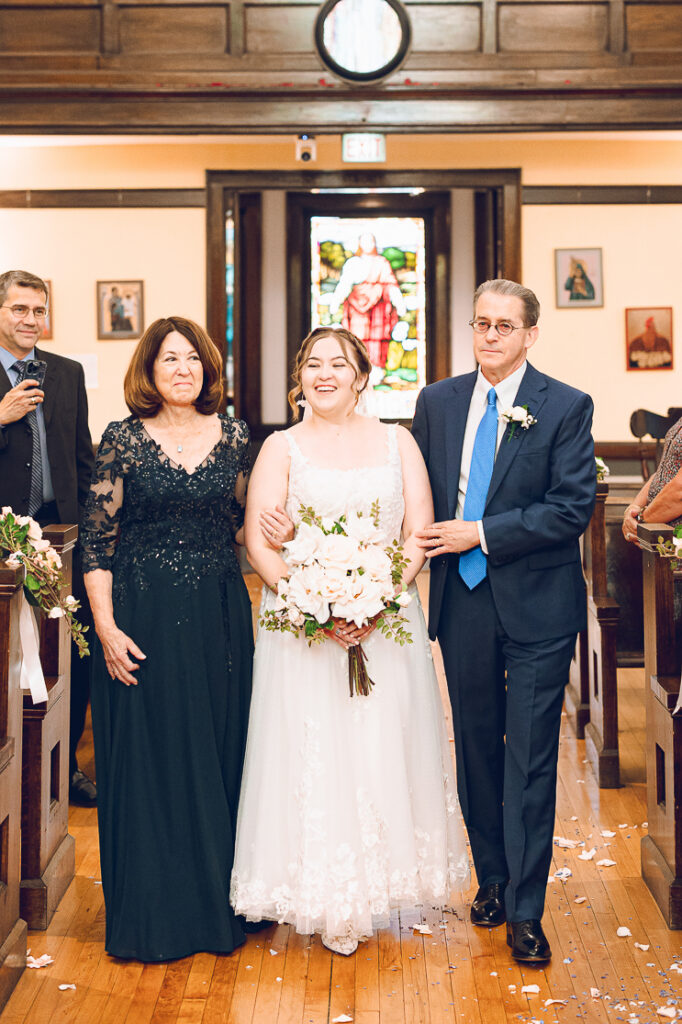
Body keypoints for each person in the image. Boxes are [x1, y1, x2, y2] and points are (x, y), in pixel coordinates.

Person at [231, 326, 470, 957]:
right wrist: (312, 604)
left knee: (377, 747)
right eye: (313, 363)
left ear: (362, 376)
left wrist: (375, 600)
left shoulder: (400, 442)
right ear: (300, 377)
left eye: (339, 363)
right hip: (302, 629)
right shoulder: (280, 447)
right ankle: (324, 895)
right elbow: (259, 540)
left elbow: (419, 532)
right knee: (311, 751)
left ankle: (375, 886)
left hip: (384, 624)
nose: (325, 373)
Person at [412, 279, 596, 964]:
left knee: (530, 758)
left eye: (503, 326)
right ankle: (490, 878)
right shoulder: (436, 402)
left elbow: (570, 508)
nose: (489, 336)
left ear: (529, 335)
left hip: (538, 606)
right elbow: (412, 489)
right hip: (461, 604)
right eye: (480, 324)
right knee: (479, 752)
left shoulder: (567, 406)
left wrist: (481, 533)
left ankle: (526, 909)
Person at [81, 316, 253, 961]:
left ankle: (220, 903)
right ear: (148, 372)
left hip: (219, 614)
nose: (182, 369)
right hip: (141, 611)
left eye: (192, 359)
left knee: (217, 747)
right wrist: (105, 626)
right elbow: (97, 544)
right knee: (150, 756)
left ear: (208, 370)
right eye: (168, 359)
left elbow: (243, 529)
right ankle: (153, 912)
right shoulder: (122, 438)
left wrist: (286, 528)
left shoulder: (235, 436)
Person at [0, 269, 97, 807]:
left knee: (69, 657)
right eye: (20, 309)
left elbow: (80, 458)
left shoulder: (66, 372)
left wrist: (92, 536)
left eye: (39, 311)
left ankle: (67, 770)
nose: (31, 320)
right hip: (2, 545)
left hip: (63, 542)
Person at [329, 233, 406, 370]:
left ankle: (375, 370)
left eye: (370, 241)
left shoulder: (382, 263)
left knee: (377, 338)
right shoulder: (353, 263)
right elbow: (344, 284)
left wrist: (399, 303)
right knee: (357, 337)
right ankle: (356, 368)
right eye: (364, 242)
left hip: (378, 307)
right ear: (360, 244)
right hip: (356, 307)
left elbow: (391, 284)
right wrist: (335, 302)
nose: (368, 245)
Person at [622, 414, 682, 540]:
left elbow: (680, 492)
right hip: (661, 535)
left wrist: (641, 521)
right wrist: (634, 508)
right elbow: (664, 471)